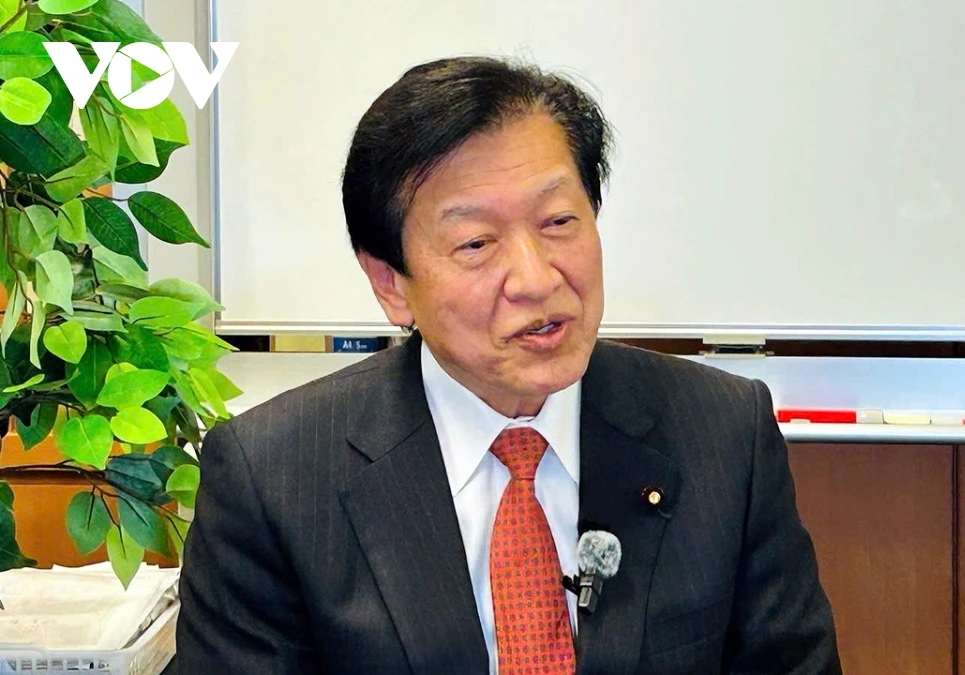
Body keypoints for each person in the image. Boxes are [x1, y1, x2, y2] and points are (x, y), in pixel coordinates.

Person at [169, 56, 841, 675]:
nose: (536, 277)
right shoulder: (274, 478)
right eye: (476, 243)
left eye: (558, 221)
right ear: (390, 284)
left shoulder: (723, 433)